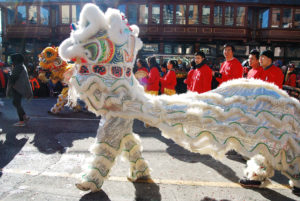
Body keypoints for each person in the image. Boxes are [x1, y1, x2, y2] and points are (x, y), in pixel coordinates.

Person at [5, 53, 33, 126]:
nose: (11, 61)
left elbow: (13, 77)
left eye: (12, 59)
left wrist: (7, 72)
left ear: (16, 60)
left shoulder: (18, 67)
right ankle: (25, 116)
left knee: (17, 103)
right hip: (19, 87)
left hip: (18, 88)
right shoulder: (20, 65)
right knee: (16, 102)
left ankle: (21, 121)